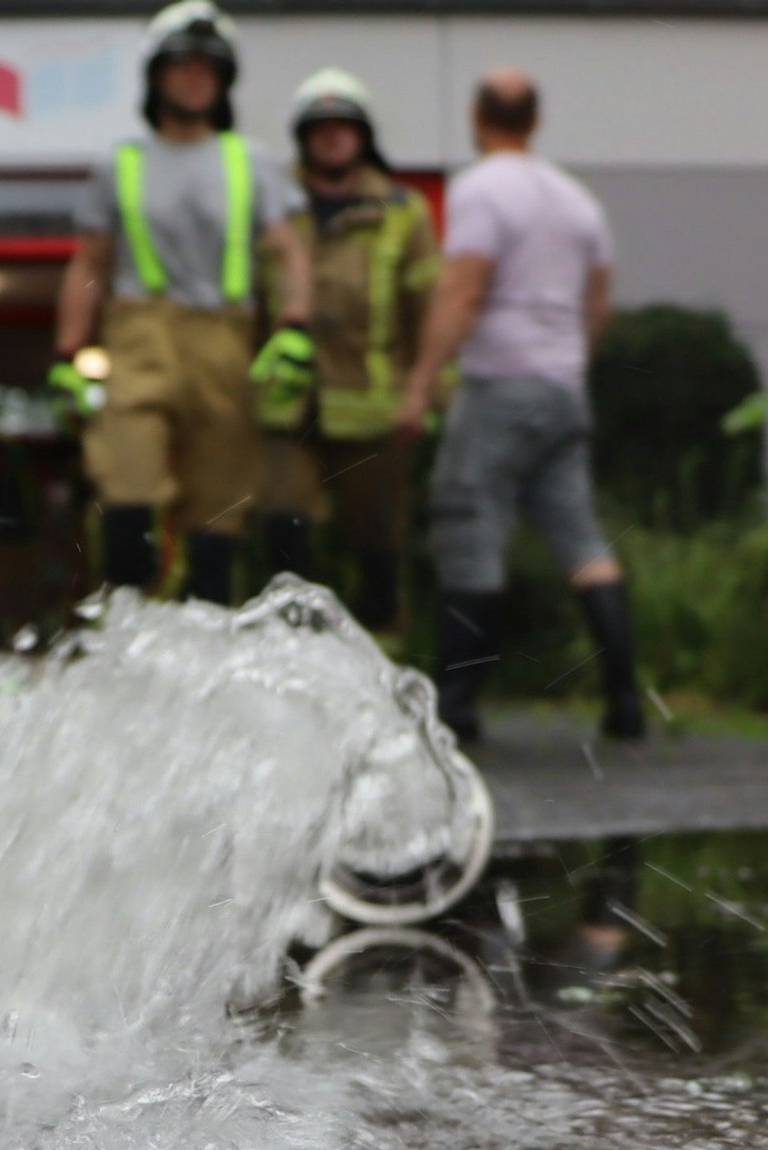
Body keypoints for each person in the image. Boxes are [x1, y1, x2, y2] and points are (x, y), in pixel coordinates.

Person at [395, 69, 642, 745]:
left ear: (478, 118)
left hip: (499, 385)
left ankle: (458, 707)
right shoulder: (578, 201)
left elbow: (462, 291)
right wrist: (565, 363)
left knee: (469, 526)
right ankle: (625, 701)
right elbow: (598, 306)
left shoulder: (480, 190)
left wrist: (420, 380)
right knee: (584, 542)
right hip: (563, 391)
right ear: (534, 121)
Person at [52, 0, 315, 606]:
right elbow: (88, 262)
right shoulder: (120, 164)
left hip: (223, 342)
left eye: (208, 68)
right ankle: (126, 637)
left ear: (223, 82)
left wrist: (295, 328)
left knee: (217, 514)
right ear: (156, 77)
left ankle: (205, 651)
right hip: (138, 336)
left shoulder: (249, 161)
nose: (195, 77)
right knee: (127, 491)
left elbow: (288, 252)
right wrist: (67, 352)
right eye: (181, 66)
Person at [257, 67, 439, 642]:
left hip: (373, 412)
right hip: (287, 409)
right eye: (320, 128)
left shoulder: (403, 212)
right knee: (284, 535)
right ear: (302, 138)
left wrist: (423, 393)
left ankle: (384, 674)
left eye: (344, 127)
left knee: (377, 550)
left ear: (364, 137)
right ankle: (286, 664)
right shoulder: (274, 208)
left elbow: (428, 311)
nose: (332, 138)